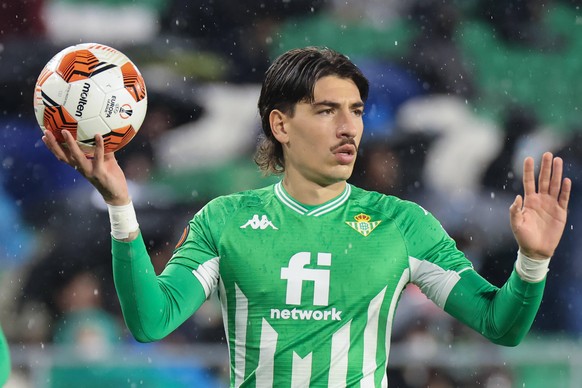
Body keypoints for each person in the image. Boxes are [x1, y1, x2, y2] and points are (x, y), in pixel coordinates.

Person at [42, 46, 571, 387]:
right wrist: (119, 204)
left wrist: (532, 261)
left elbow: (501, 327)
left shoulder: (404, 224)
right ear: (281, 125)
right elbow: (149, 321)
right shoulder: (224, 220)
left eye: (356, 111)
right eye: (327, 110)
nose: (349, 128)